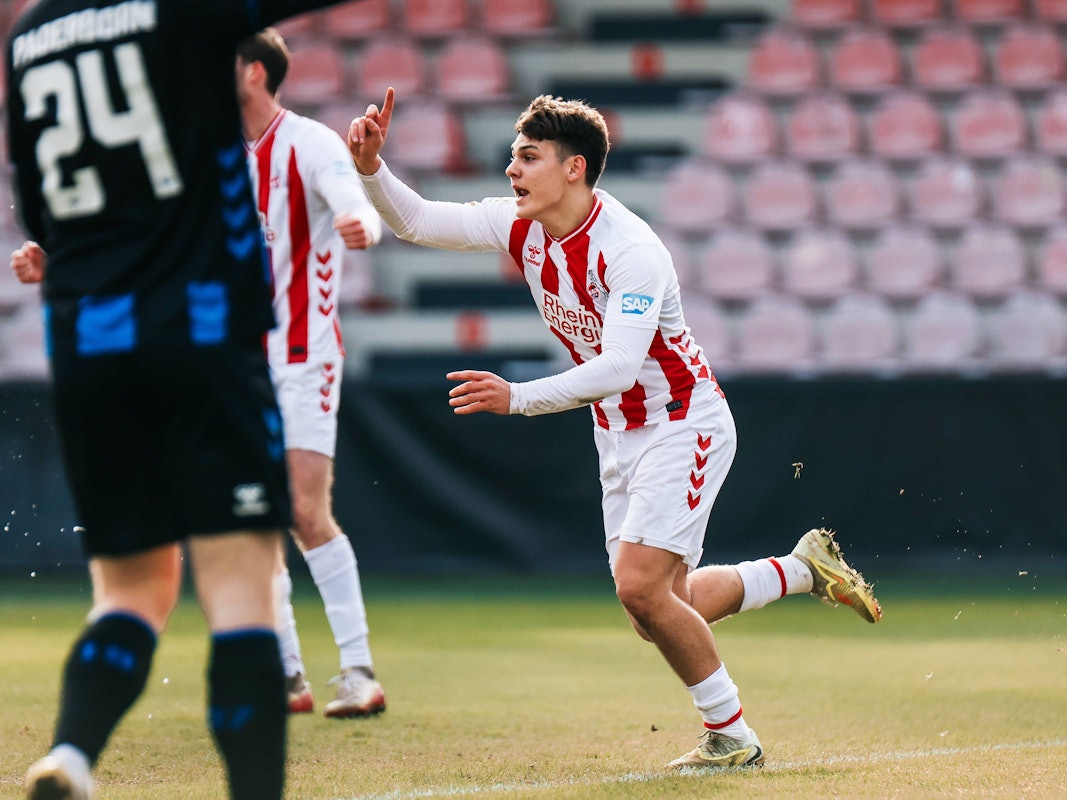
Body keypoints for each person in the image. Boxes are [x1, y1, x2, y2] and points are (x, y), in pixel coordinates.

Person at [347, 88, 883, 770]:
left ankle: (732, 737)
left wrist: (516, 398)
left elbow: (619, 366)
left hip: (683, 422)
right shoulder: (521, 224)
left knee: (638, 587)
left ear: (574, 168)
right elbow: (418, 222)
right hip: (617, 435)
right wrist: (370, 168)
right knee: (656, 610)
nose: (511, 170)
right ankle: (799, 570)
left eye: (528, 157)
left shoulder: (630, 249)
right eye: (513, 155)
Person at [4, 2, 355, 798]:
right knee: (237, 590)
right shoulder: (181, 10)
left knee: (130, 592)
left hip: (88, 343)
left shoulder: (29, 33)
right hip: (202, 336)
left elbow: (43, 208)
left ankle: (73, 752)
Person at [235, 28, 386, 719]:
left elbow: (349, 197)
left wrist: (360, 223)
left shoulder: (309, 142)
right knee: (252, 522)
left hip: (302, 355)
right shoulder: (204, 153)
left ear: (255, 73)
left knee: (303, 511)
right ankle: (286, 676)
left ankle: (357, 669)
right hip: (235, 362)